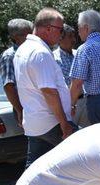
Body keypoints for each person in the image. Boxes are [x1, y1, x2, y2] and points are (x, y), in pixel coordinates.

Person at [14, 8, 75, 168]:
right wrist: (64, 123)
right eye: (60, 30)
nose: (61, 34)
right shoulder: (40, 53)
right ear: (48, 29)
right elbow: (49, 92)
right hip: (51, 122)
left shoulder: (23, 49)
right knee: (84, 155)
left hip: (35, 123)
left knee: (35, 168)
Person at [53, 24, 90, 129]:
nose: (74, 40)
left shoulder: (79, 53)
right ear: (60, 39)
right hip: (69, 105)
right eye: (70, 37)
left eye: (74, 36)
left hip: (85, 101)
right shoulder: (54, 58)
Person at [0, 19, 33, 128]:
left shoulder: (31, 51)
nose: (31, 37)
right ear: (15, 37)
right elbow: (9, 86)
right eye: (27, 34)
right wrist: (20, 110)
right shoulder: (9, 56)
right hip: (25, 108)